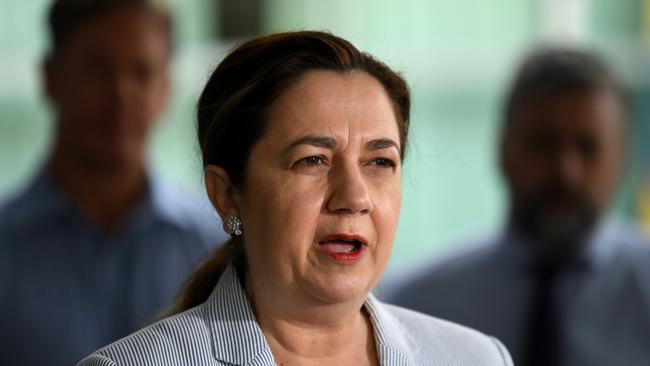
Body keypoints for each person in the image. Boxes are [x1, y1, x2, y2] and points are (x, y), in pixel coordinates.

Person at [76, 31, 513, 366]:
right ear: (227, 194)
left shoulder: (476, 358)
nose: (353, 197)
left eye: (380, 162)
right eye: (312, 160)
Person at [385, 48, 650, 366]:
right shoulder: (414, 306)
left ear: (621, 158)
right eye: (544, 143)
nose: (565, 170)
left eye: (587, 147)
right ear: (504, 148)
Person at [0, 1, 225, 365]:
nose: (121, 95)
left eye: (142, 72)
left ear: (165, 89)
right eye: (98, 69)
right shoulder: (6, 246)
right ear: (50, 77)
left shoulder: (217, 244)